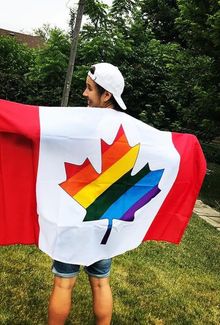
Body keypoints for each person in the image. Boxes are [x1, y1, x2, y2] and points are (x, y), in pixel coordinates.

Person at [48, 63, 127, 325]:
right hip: (105, 221)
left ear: (107, 96)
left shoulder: (76, 122)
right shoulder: (130, 130)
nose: (84, 93)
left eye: (89, 89)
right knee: (101, 284)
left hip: (73, 218)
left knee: (63, 285)